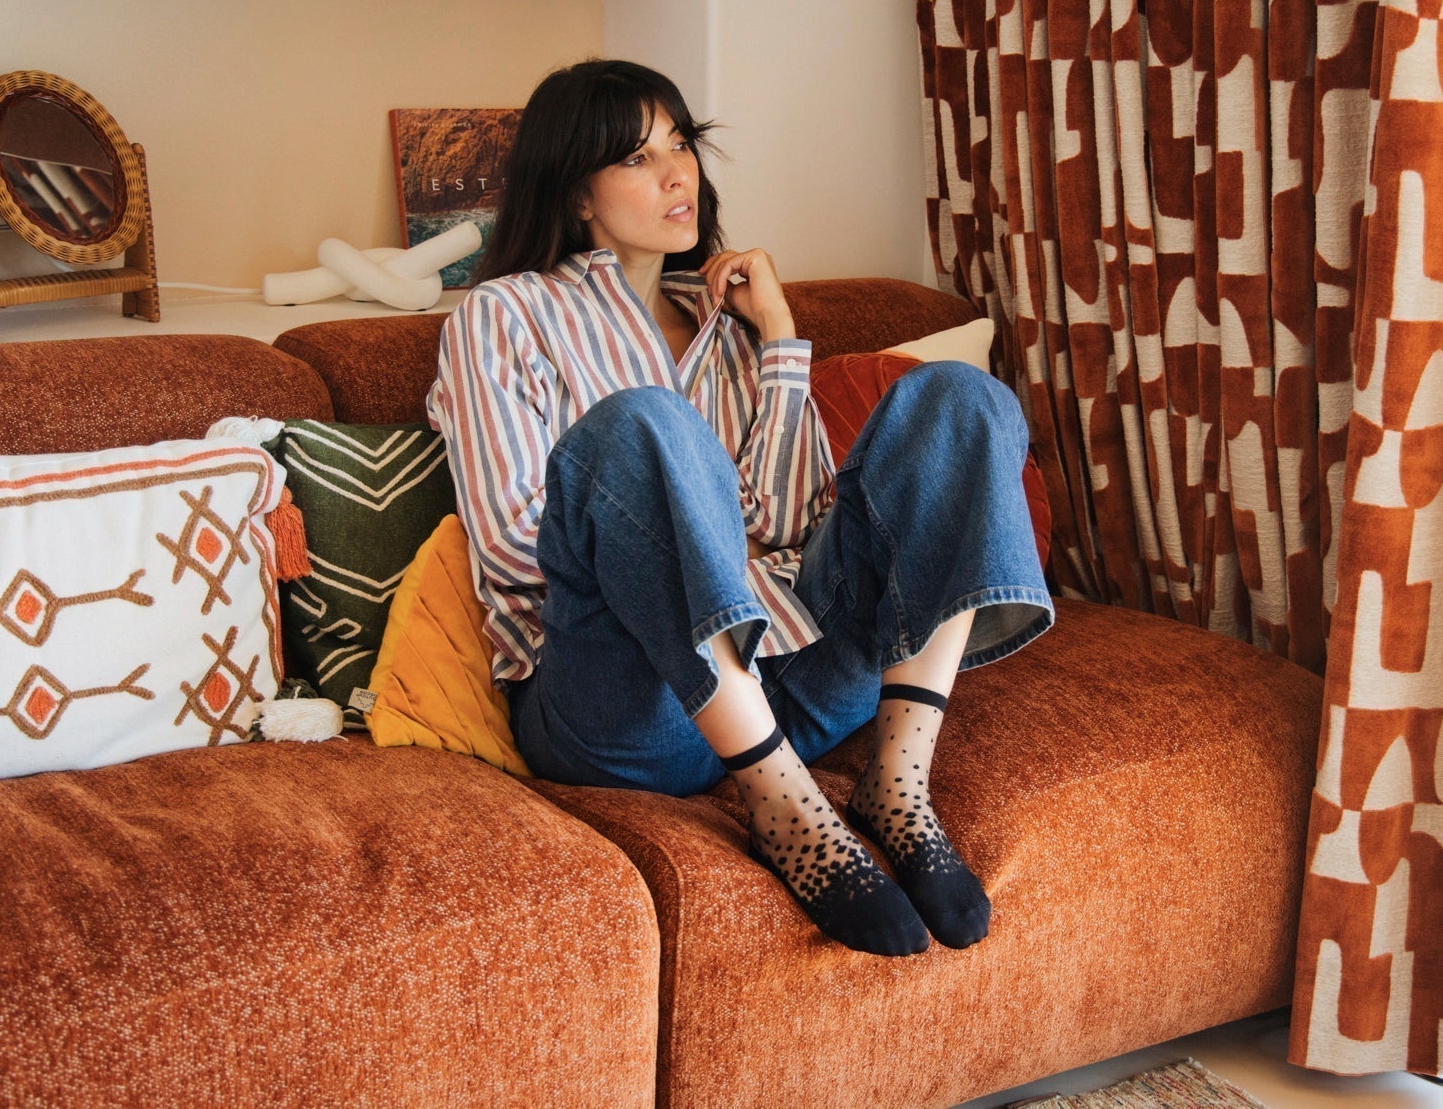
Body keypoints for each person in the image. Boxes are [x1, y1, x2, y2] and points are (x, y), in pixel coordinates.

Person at [429, 59, 1053, 956]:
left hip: (791, 674)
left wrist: (781, 342)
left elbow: (792, 518)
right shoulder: (502, 316)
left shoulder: (722, 322)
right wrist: (673, 507)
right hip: (622, 707)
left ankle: (899, 785)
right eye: (638, 159)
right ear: (576, 196)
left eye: (680, 143)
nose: (677, 173)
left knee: (964, 401)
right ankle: (786, 806)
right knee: (645, 425)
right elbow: (515, 549)